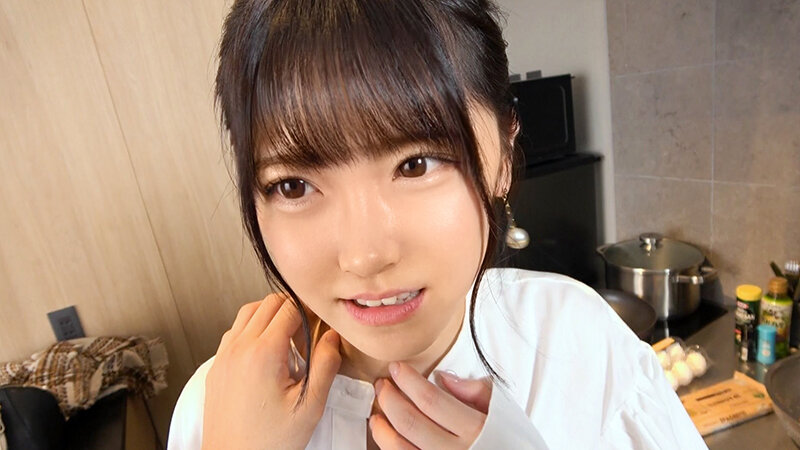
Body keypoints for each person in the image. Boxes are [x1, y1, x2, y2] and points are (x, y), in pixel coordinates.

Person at [168, 0, 706, 448]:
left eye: (416, 164)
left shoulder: (581, 345)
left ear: (503, 154)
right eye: (293, 186)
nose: (365, 256)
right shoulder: (214, 411)